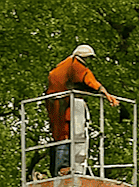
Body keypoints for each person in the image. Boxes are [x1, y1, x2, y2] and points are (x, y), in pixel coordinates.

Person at [45, 44, 120, 175]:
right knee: (65, 135)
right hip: (62, 102)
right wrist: (105, 93)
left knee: (58, 135)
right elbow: (87, 78)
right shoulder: (75, 64)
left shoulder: (63, 66)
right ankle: (62, 168)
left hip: (55, 102)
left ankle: (56, 169)